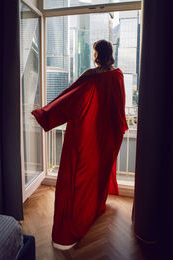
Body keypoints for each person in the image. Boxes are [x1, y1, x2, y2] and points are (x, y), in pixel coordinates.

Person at [31, 39, 128, 250]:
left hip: (90, 136)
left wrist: (46, 114)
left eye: (94, 51)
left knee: (79, 177)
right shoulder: (117, 76)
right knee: (97, 174)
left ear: (97, 55)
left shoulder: (91, 78)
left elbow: (68, 99)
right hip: (110, 135)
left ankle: (73, 226)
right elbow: (119, 107)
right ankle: (95, 208)